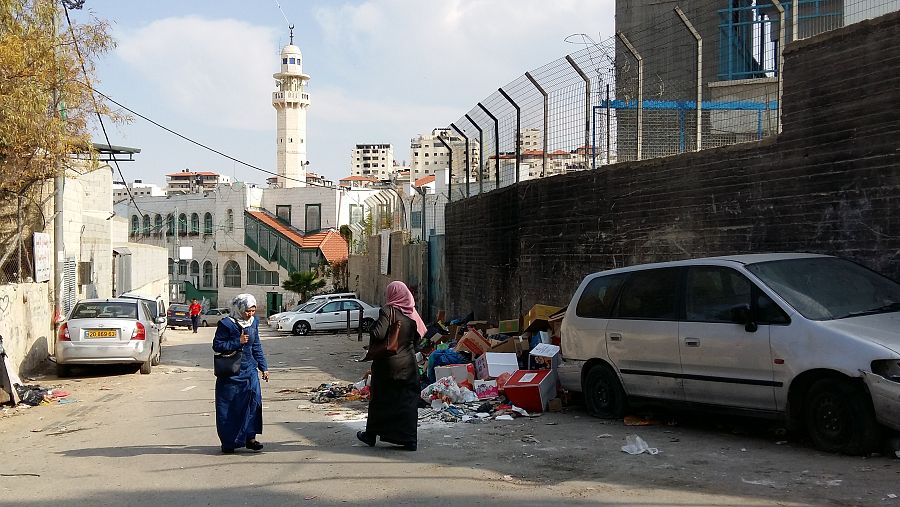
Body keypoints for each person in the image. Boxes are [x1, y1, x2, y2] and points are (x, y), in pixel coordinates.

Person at [357, 281, 426, 451]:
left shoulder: (388, 311)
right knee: (407, 402)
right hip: (409, 365)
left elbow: (378, 333)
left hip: (388, 365)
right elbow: (418, 340)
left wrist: (372, 325)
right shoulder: (412, 315)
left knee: (380, 400)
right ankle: (409, 440)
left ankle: (371, 435)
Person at [212, 294, 269, 454]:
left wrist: (263, 367)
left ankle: (250, 438)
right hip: (231, 373)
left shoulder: (254, 322)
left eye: (253, 310)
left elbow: (256, 345)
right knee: (230, 407)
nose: (250, 314)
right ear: (239, 309)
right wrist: (238, 342)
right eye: (247, 311)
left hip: (249, 370)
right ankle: (229, 442)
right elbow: (217, 345)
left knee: (253, 403)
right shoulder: (226, 324)